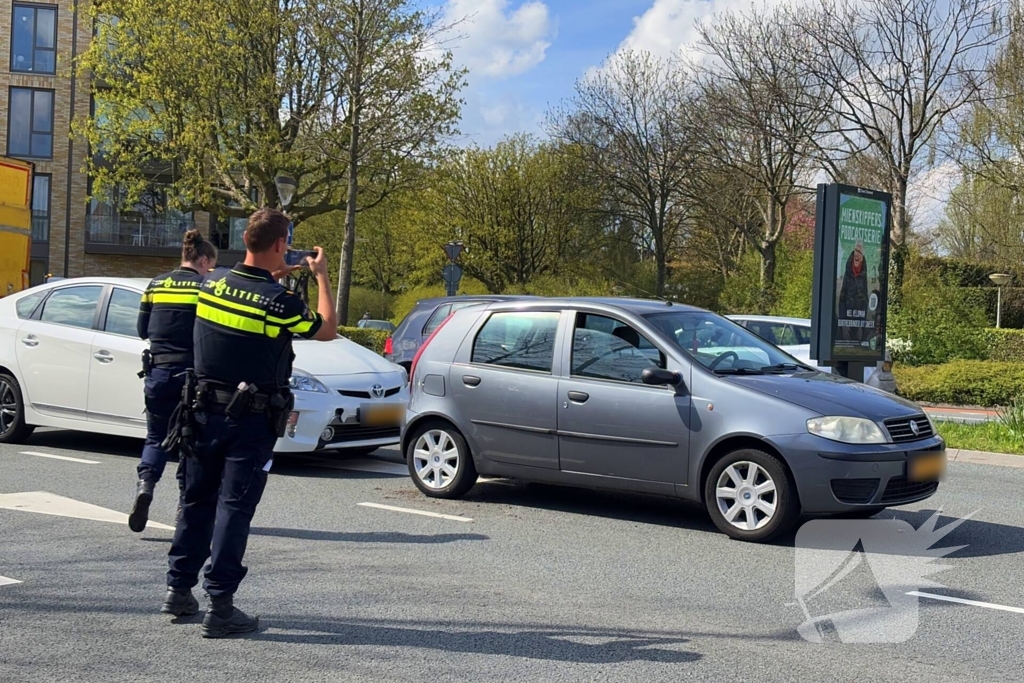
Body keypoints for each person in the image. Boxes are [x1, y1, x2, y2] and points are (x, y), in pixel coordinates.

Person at [163, 207, 337, 638]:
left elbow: (246, 300)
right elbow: (327, 328)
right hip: (250, 421)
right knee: (234, 508)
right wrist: (320, 276)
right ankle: (220, 606)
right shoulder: (280, 303)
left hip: (200, 413)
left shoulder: (213, 283)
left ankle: (178, 590)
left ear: (245, 241)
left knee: (195, 501)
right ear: (280, 244)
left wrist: (273, 275)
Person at [130, 230, 218, 533]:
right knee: (192, 446)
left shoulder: (155, 285)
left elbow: (142, 329)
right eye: (210, 266)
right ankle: (183, 510)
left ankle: (146, 485)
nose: (210, 271)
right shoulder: (206, 288)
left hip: (157, 373)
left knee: (156, 437)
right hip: (192, 379)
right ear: (203, 259)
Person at [837, 242, 870, 343]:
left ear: (862, 257)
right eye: (856, 250)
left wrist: (861, 325)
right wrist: (843, 323)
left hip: (858, 321)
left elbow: (865, 301)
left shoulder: (863, 275)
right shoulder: (848, 272)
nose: (857, 253)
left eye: (859, 251)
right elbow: (842, 299)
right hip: (846, 319)